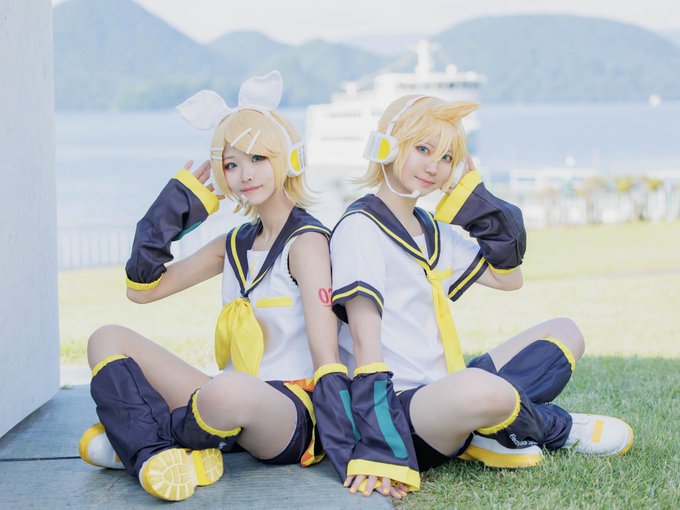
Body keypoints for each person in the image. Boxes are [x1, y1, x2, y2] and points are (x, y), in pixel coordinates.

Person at [313, 95, 634, 496]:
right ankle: (556, 427)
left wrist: (474, 202)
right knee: (483, 388)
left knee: (565, 332)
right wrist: (379, 447)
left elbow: (508, 278)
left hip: (447, 389)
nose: (434, 166)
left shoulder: (432, 230)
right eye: (423, 149)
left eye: (447, 158)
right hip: (404, 412)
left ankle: (486, 428)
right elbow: (365, 347)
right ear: (387, 146)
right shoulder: (361, 227)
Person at [78, 71, 343, 501]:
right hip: (226, 401)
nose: (245, 174)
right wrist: (174, 207)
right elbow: (142, 290)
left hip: (291, 411)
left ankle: (136, 441)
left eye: (258, 158)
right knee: (106, 338)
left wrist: (350, 439)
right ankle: (157, 457)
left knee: (226, 389)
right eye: (232, 164)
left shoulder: (307, 242)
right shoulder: (233, 244)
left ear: (287, 158)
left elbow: (327, 353)